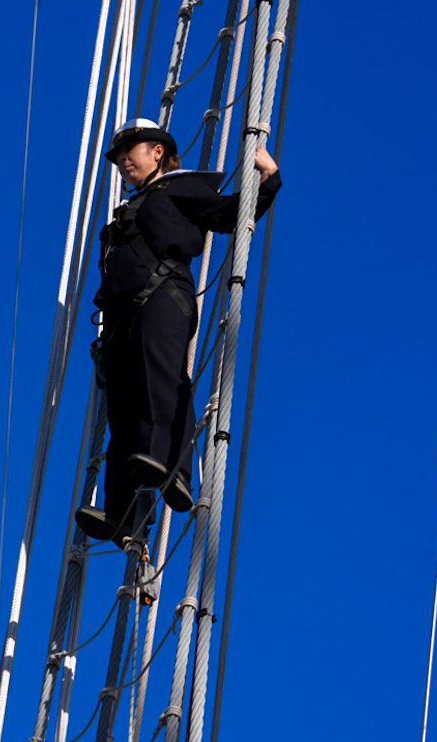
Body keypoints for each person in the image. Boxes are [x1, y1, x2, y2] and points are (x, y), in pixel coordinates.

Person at [75, 118, 281, 545]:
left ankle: (174, 469)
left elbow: (228, 215)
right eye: (118, 157)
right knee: (122, 408)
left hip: (162, 296)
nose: (123, 161)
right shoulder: (131, 206)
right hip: (118, 317)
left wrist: (269, 180)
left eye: (131, 151)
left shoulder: (180, 187)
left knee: (162, 378)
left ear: (157, 152)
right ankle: (122, 514)